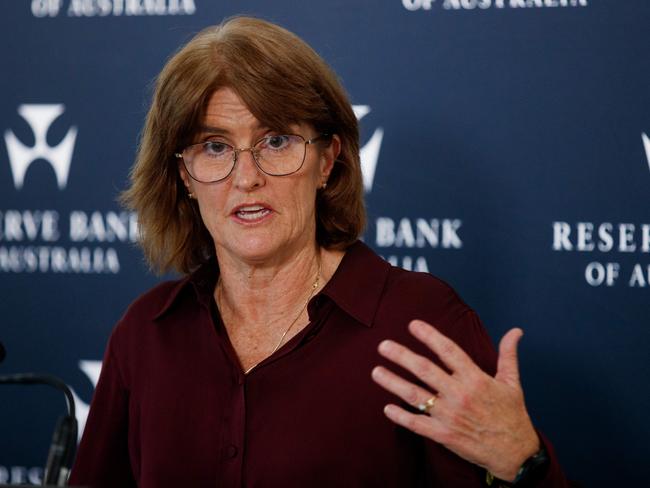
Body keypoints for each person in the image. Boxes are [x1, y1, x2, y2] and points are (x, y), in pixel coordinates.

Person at [69, 16, 572, 488]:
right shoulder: (147, 334)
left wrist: (521, 461)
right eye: (216, 147)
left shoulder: (420, 324)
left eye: (277, 140)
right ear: (185, 176)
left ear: (327, 161)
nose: (247, 178)